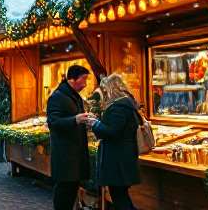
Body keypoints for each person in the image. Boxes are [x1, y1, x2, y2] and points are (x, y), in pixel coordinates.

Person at [88, 74, 141, 210]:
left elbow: (112, 132)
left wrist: (95, 124)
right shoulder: (127, 103)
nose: (104, 93)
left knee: (119, 197)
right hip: (122, 156)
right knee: (120, 195)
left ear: (111, 88)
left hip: (117, 159)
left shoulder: (119, 107)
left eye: (105, 89)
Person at [46, 64, 93, 210]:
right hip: (65, 155)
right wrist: (76, 120)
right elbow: (53, 122)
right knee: (64, 192)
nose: (85, 84)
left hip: (75, 155)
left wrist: (86, 121)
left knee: (71, 190)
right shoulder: (57, 97)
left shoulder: (73, 96)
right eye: (83, 80)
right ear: (72, 79)